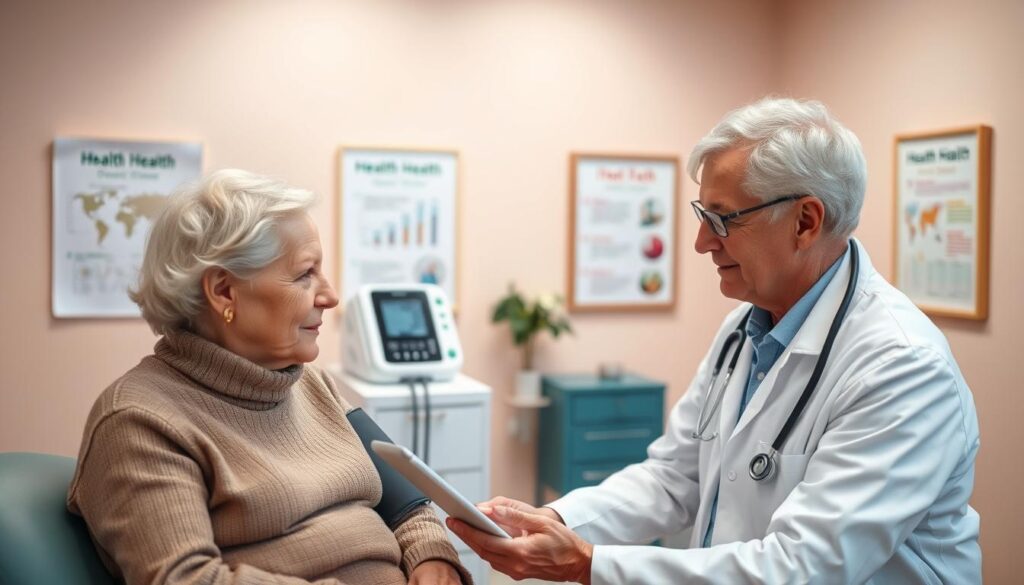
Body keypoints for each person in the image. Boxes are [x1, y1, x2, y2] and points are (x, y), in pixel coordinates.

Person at [448, 97, 981, 584]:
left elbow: (802, 568)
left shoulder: (902, 367)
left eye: (723, 219)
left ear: (805, 221)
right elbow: (673, 478)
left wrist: (589, 564)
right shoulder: (744, 330)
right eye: (703, 216)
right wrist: (556, 520)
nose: (702, 242)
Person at [67, 170, 470, 585]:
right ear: (224, 291)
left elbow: (407, 502)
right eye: (304, 274)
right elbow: (187, 579)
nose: (329, 296)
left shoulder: (312, 385)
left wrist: (431, 558)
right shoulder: (138, 420)